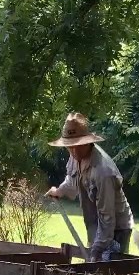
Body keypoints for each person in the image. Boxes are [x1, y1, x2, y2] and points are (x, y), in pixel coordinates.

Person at [46, 112, 134, 262]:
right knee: (94, 274)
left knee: (111, 274)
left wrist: (97, 249)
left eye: (77, 146)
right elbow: (72, 179)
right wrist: (59, 191)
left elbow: (107, 217)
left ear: (87, 142)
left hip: (116, 229)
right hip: (97, 223)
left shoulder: (103, 171)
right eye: (70, 146)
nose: (73, 151)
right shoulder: (76, 157)